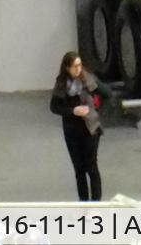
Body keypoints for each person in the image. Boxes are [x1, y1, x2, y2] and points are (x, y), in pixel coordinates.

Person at [49, 51, 104, 201]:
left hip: (91, 129)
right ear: (67, 68)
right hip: (72, 131)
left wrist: (95, 111)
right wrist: (72, 111)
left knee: (91, 167)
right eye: (74, 66)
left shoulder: (89, 79)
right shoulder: (61, 83)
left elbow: (106, 96)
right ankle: (83, 203)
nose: (78, 69)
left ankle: (96, 205)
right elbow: (54, 107)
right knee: (79, 168)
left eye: (79, 65)